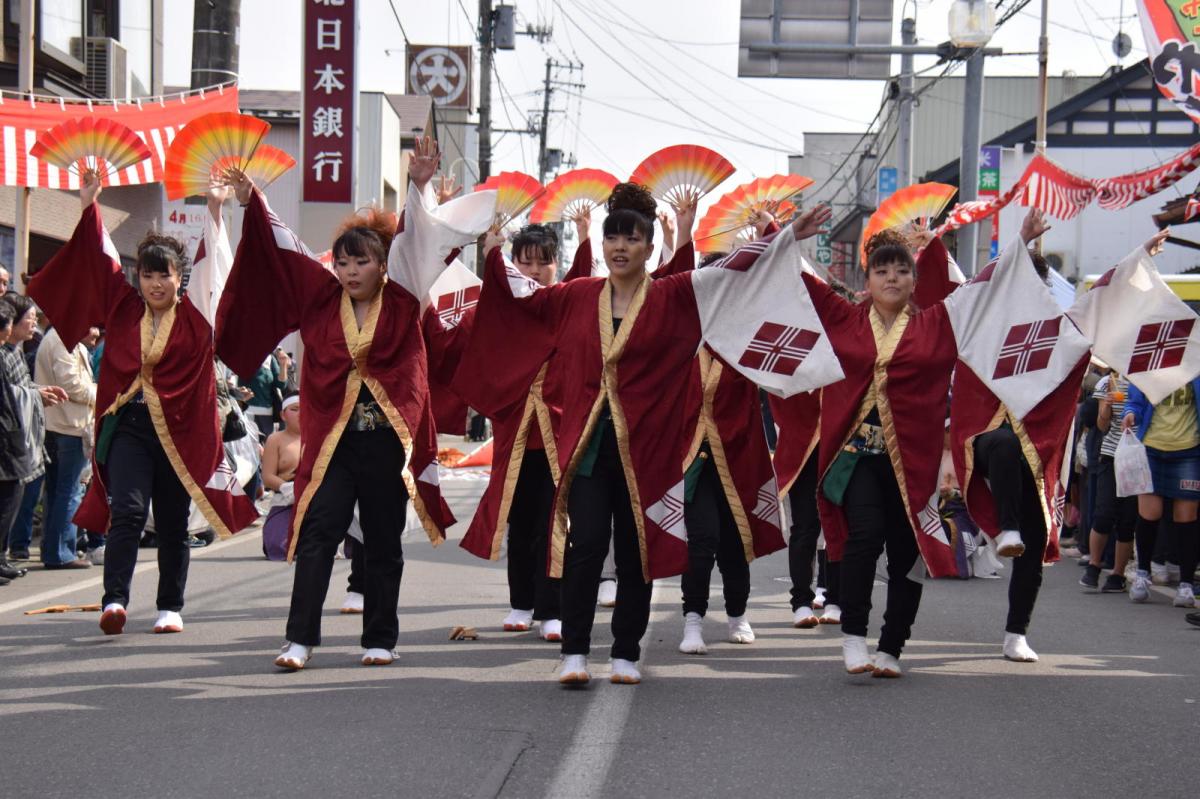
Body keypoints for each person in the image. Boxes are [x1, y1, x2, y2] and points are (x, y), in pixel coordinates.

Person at [479, 182, 831, 686]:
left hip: (649, 450)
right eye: (612, 238)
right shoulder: (576, 297)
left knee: (636, 549)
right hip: (588, 447)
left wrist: (785, 235)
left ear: (649, 248)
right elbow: (521, 297)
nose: (620, 246)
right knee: (586, 545)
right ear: (602, 247)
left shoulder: (673, 296)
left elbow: (730, 271)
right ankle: (575, 652)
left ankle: (625, 652)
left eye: (631, 238)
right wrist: (491, 254)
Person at [218, 137, 491, 670]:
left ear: (382, 264)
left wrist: (419, 185)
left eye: (360, 262)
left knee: (384, 540)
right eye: (342, 262)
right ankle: (299, 639)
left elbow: (416, 239)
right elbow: (285, 248)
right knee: (319, 531)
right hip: (333, 442)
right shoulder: (320, 299)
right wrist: (252, 201)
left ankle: (380, 639)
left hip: (387, 440)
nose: (348, 271)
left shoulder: (406, 290)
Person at [27, 175, 258, 636]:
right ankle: (114, 600)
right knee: (129, 511)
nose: (155, 283)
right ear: (139, 278)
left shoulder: (196, 314)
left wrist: (215, 211)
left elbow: (216, 268)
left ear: (178, 278)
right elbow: (102, 259)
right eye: (148, 275)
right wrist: (89, 207)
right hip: (130, 426)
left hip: (180, 431)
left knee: (173, 522)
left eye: (164, 275)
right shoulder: (122, 308)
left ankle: (170, 605)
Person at [443, 220, 592, 642]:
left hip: (559, 430)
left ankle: (552, 609)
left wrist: (584, 239)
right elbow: (488, 300)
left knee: (554, 522)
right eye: (523, 264)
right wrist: (489, 249)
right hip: (516, 432)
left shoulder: (565, 302)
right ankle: (521, 603)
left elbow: (585, 282)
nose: (532, 273)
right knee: (519, 522)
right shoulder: (505, 308)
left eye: (542, 264)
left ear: (555, 265)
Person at [948, 237, 1089, 663]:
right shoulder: (982, 325)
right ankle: (1003, 527)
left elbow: (1087, 344)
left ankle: (1016, 633)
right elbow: (954, 295)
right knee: (1006, 444)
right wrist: (1020, 243)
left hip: (1039, 448)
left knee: (1031, 541)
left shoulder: (1059, 332)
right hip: (986, 438)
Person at [0, 295, 67, 579]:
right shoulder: (5, 353)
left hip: (15, 435)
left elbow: (21, 387)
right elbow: (11, 394)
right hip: (8, 437)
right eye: (28, 317)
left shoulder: (13, 351)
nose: (33, 323)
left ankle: (3, 557)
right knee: (9, 500)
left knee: (14, 498)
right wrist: (35, 395)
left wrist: (38, 393)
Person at [1123, 375, 1200, 609]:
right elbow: (1134, 399)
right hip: (1151, 449)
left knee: (1186, 519)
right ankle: (1143, 573)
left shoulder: (1196, 364)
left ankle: (1186, 584)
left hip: (1189, 451)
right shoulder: (1153, 362)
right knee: (1149, 514)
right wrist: (1130, 413)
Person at [31, 324, 98, 568]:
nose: (95, 332)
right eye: (89, 323)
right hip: (67, 426)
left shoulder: (64, 338)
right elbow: (73, 387)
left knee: (60, 491)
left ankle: (54, 550)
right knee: (70, 491)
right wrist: (104, 393)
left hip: (65, 424)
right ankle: (61, 553)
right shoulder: (61, 339)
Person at [1080, 371, 1138, 593]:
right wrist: (1106, 406)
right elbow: (1102, 426)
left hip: (1139, 456)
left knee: (1127, 518)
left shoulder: (1149, 381)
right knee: (1104, 512)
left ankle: (1117, 574)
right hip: (1112, 453)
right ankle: (1094, 567)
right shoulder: (1110, 381)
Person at [260, 392, 301, 562]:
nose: (301, 414)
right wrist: (287, 487)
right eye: (295, 409)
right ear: (283, 414)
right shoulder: (275, 439)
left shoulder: (321, 436)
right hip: (286, 499)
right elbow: (267, 477)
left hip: (316, 500)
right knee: (278, 546)